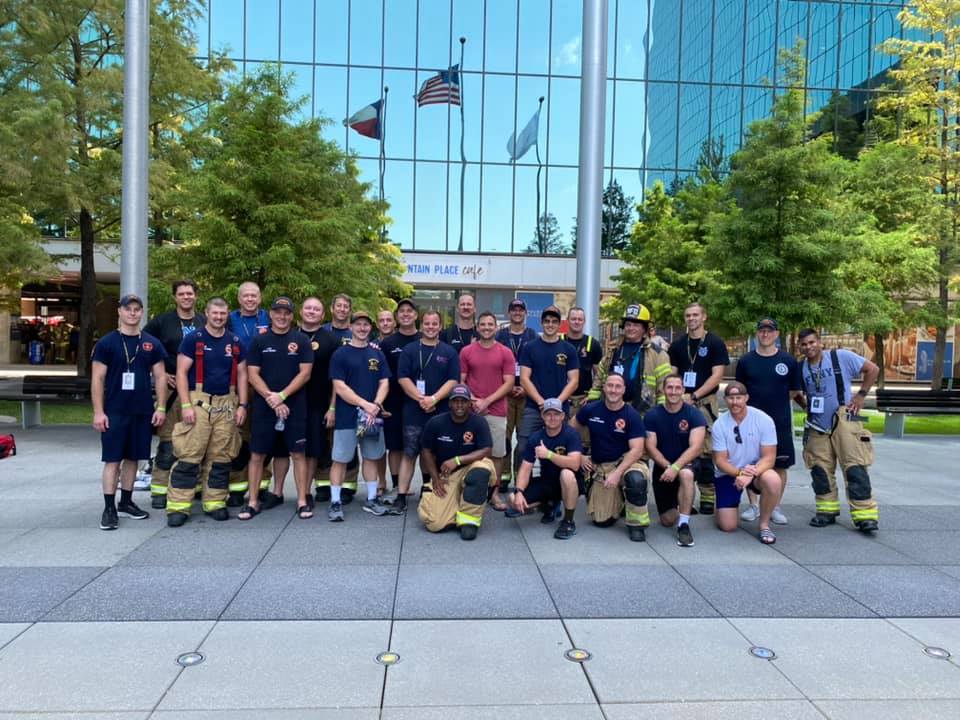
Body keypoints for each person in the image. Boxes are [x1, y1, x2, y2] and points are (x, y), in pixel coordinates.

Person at [167, 297, 247, 526]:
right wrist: (185, 405)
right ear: (207, 313)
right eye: (215, 313)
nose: (219, 317)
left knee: (221, 457)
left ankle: (215, 502)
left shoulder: (236, 341)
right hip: (198, 401)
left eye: (223, 314)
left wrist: (242, 405)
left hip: (227, 404)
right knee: (190, 454)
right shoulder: (193, 339)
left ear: (227, 314)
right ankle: (179, 506)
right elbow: (181, 373)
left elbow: (242, 374)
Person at [91, 294, 167, 530]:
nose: (132, 313)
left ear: (142, 313)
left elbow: (161, 376)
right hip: (115, 411)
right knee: (113, 459)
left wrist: (161, 406)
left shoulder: (151, 343)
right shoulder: (106, 343)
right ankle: (109, 507)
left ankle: (126, 501)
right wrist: (98, 412)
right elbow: (97, 378)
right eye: (128, 309)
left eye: (137, 309)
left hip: (142, 411)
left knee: (134, 457)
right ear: (120, 312)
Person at [798, 328, 880, 533]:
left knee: (855, 467)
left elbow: (873, 369)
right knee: (820, 469)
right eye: (804, 344)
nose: (808, 347)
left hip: (846, 418)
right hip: (817, 424)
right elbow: (794, 392)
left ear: (820, 343)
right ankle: (827, 510)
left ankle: (865, 516)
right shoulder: (801, 368)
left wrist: (861, 395)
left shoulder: (841, 357)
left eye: (811, 342)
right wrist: (804, 405)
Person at [239, 297, 314, 521]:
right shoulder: (259, 341)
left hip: (295, 406)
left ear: (292, 316)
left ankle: (301, 501)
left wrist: (282, 396)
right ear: (270, 314)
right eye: (278, 312)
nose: (282, 317)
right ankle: (252, 502)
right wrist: (272, 398)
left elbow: (305, 373)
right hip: (264, 406)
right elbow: (252, 374)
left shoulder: (301, 340)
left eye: (287, 313)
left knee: (297, 454)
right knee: (257, 454)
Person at [735, 318, 805, 526]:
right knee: (750, 462)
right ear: (757, 334)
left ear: (776, 334)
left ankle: (775, 506)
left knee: (780, 465)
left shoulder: (788, 361)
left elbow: (794, 390)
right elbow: (740, 390)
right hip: (751, 422)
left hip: (779, 421)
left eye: (769, 331)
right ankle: (754, 505)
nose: (765, 334)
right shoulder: (746, 361)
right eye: (761, 331)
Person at [143, 280, 204, 509]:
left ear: (196, 296)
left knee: (196, 441)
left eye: (190, 293)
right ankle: (159, 489)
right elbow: (144, 346)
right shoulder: (162, 322)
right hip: (170, 391)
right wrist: (158, 371)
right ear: (175, 297)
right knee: (168, 442)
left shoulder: (204, 321)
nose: (186, 297)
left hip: (197, 389)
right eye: (182, 294)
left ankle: (194, 486)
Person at [570, 373, 650, 542]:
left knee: (635, 480)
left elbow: (637, 450)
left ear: (624, 390)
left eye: (618, 386)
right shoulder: (591, 409)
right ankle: (620, 499)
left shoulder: (632, 415)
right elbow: (570, 431)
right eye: (610, 386)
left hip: (628, 463)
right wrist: (581, 456)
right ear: (604, 388)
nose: (613, 390)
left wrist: (617, 473)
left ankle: (637, 525)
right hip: (603, 466)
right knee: (601, 521)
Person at [327, 310, 392, 520]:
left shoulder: (377, 353)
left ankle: (372, 499)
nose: (362, 328)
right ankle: (335, 502)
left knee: (372, 457)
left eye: (366, 325)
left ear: (370, 328)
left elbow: (384, 382)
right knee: (340, 459)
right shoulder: (341, 354)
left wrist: (376, 404)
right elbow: (339, 386)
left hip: (372, 417)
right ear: (351, 327)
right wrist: (365, 404)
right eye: (358, 324)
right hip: (347, 417)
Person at [395, 310, 460, 511]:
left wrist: (434, 398)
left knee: (434, 453)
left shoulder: (449, 352)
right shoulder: (410, 350)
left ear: (440, 327)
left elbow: (453, 380)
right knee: (409, 453)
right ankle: (401, 495)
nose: (431, 327)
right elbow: (403, 378)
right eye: (427, 323)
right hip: (413, 411)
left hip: (440, 412)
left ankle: (432, 489)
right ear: (422, 326)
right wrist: (421, 398)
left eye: (435, 324)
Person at [668, 302, 729, 515]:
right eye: (687, 315)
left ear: (704, 317)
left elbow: (717, 375)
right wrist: (677, 396)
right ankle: (684, 495)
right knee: (680, 447)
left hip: (704, 404)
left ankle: (707, 494)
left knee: (705, 451)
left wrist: (694, 396)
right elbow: (672, 374)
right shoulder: (677, 345)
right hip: (680, 403)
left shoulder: (715, 343)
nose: (691, 319)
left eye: (695, 315)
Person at [417, 384, 496, 540]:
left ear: (469, 403)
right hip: (447, 475)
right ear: (449, 403)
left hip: (471, 467)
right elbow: (426, 451)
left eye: (464, 401)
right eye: (456, 401)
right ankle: (457, 504)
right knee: (434, 523)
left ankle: (468, 521)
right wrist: (435, 478)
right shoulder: (435, 422)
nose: (459, 405)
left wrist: (458, 460)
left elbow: (487, 450)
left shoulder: (479, 422)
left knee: (481, 471)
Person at [710, 381, 784, 544]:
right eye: (731, 398)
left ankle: (764, 525)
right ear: (725, 399)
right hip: (730, 473)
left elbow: (769, 458)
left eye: (739, 397)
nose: (735, 402)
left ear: (746, 398)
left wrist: (751, 474)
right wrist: (741, 473)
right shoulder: (720, 425)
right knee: (728, 526)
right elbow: (720, 461)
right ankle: (724, 507)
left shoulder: (763, 419)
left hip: (757, 472)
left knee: (773, 480)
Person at [460, 310, 515, 510]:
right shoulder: (467, 351)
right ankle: (467, 490)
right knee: (469, 451)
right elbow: (461, 380)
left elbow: (509, 383)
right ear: (477, 327)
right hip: (471, 410)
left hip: (497, 411)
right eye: (482, 324)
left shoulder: (505, 352)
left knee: (497, 455)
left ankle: (494, 494)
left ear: (496, 327)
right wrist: (474, 400)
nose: (486, 328)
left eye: (490, 324)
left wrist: (487, 401)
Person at [517, 305, 579, 478]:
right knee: (523, 446)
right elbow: (524, 378)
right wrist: (540, 402)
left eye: (554, 321)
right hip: (533, 407)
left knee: (559, 449)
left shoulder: (568, 349)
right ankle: (522, 490)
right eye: (547, 321)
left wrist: (557, 403)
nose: (550, 324)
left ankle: (555, 493)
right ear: (542, 323)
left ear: (560, 324)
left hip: (560, 409)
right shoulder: (530, 347)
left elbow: (574, 381)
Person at [643, 374, 706, 547]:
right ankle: (684, 502)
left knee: (686, 474)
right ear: (663, 390)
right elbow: (651, 447)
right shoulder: (652, 415)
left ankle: (684, 525)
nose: (673, 391)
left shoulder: (694, 414)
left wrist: (676, 467)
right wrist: (668, 467)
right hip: (663, 467)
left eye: (678, 388)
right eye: (669, 387)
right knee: (667, 520)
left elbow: (696, 447)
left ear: (683, 390)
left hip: (687, 463)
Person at [512, 398, 583, 540]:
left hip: (571, 481)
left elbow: (575, 463)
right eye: (548, 414)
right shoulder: (536, 437)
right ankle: (550, 504)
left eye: (556, 414)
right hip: (547, 481)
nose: (552, 418)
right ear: (542, 416)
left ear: (562, 416)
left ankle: (568, 521)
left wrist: (549, 455)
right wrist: (519, 491)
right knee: (513, 500)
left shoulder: (571, 434)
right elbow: (526, 468)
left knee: (566, 474)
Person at [226, 281, 271, 506]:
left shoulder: (269, 318)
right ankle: (236, 486)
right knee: (239, 438)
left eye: (254, 295)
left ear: (260, 298)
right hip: (236, 384)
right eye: (246, 296)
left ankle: (262, 486)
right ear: (239, 298)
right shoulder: (229, 319)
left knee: (263, 436)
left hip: (264, 385)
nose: (250, 299)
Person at [298, 297, 339, 510]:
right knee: (292, 450)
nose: (312, 312)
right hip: (292, 403)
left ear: (323, 315)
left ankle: (305, 491)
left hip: (318, 403)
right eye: (308, 308)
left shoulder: (331, 340)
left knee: (313, 449)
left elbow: (337, 379)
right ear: (301, 311)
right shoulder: (290, 335)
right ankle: (282, 491)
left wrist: (332, 407)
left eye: (316, 309)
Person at [378, 299, 420, 500]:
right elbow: (382, 375)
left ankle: (425, 485)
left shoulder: (424, 338)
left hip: (420, 401)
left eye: (409, 311)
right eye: (401, 311)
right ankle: (397, 485)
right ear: (397, 317)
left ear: (415, 315)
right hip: (394, 400)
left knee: (420, 444)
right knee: (395, 445)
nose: (405, 314)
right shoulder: (387, 343)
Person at [496, 298, 538, 484]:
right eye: (514, 310)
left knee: (523, 441)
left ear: (525, 313)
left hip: (526, 395)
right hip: (504, 394)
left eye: (521, 310)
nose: (517, 313)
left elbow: (537, 365)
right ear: (509, 313)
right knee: (504, 438)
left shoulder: (533, 336)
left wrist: (525, 389)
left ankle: (520, 477)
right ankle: (504, 477)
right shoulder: (500, 336)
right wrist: (508, 386)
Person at [607, 303, 672, 418]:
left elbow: (665, 386)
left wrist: (663, 414)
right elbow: (601, 377)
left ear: (644, 328)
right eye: (628, 324)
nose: (631, 328)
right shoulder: (614, 350)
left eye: (636, 325)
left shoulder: (658, 354)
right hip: (612, 410)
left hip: (644, 414)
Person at [560, 306, 604, 446]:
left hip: (583, 401)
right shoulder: (559, 342)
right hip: (561, 400)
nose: (576, 322)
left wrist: (593, 396)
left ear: (584, 321)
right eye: (573, 319)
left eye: (580, 319)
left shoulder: (593, 344)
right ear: (567, 321)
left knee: (583, 442)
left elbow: (599, 374)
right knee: (560, 439)